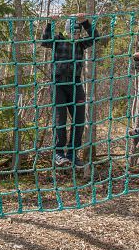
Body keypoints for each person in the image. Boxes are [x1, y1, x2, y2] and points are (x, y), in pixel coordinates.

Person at [41, 13, 99, 168]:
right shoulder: (59, 40)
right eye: (74, 32)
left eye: (78, 32)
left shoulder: (80, 43)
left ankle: (72, 154)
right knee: (60, 120)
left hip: (75, 84)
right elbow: (45, 41)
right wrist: (50, 23)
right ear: (67, 31)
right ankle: (58, 154)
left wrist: (85, 22)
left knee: (79, 121)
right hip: (58, 84)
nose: (76, 35)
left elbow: (95, 37)